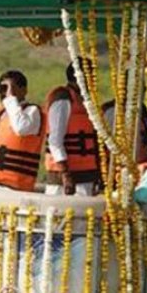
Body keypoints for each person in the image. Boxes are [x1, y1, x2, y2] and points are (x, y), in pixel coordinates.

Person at [43, 62, 100, 196]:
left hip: (86, 177)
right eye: (90, 75)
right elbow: (55, 140)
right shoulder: (62, 98)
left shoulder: (85, 101)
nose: (92, 80)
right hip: (64, 181)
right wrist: (65, 174)